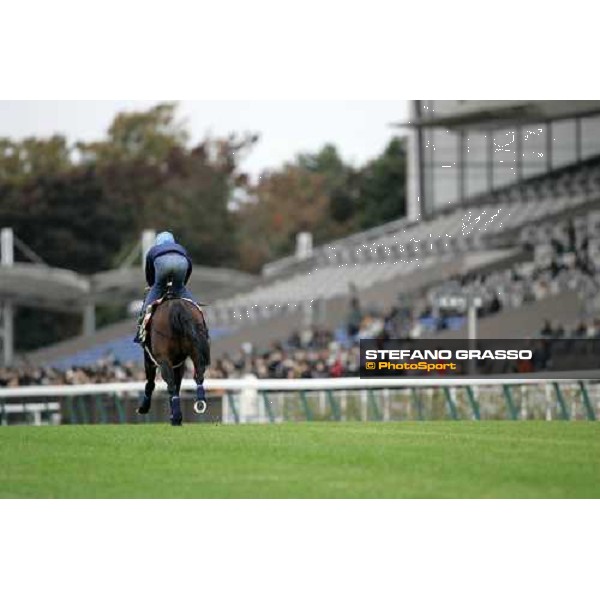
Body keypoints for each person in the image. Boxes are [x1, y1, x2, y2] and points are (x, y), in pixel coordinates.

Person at [133, 231, 198, 343]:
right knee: (181, 289)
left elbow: (149, 274)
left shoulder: (153, 251)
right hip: (182, 262)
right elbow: (189, 266)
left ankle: (141, 326)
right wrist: (181, 285)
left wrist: (152, 286)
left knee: (156, 289)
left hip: (162, 264)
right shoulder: (179, 247)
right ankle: (197, 313)